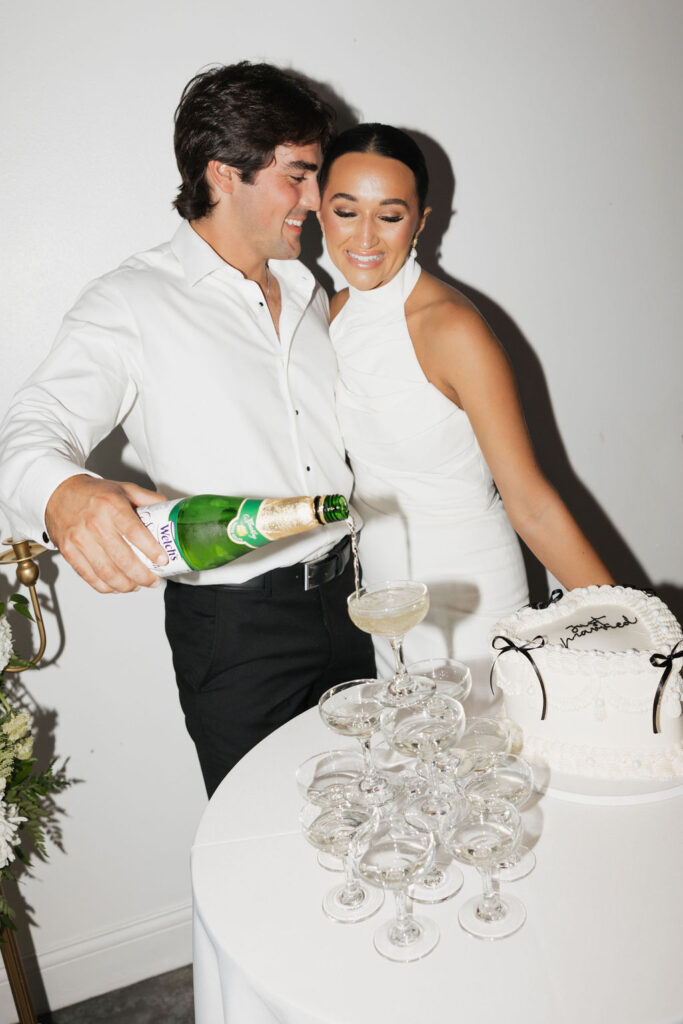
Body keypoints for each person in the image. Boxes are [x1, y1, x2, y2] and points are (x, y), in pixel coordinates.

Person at [0, 64, 376, 797]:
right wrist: (65, 495)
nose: (315, 199)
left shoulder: (308, 285)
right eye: (297, 175)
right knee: (262, 838)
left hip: (355, 594)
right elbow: (30, 427)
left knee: (380, 807)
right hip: (238, 633)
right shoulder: (130, 302)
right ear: (223, 173)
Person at [317, 123, 613, 690]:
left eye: (391, 214)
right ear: (321, 211)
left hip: (470, 596)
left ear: (421, 222)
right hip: (385, 601)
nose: (366, 237)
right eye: (347, 210)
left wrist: (636, 629)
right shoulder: (334, 315)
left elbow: (533, 505)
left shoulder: (451, 329)